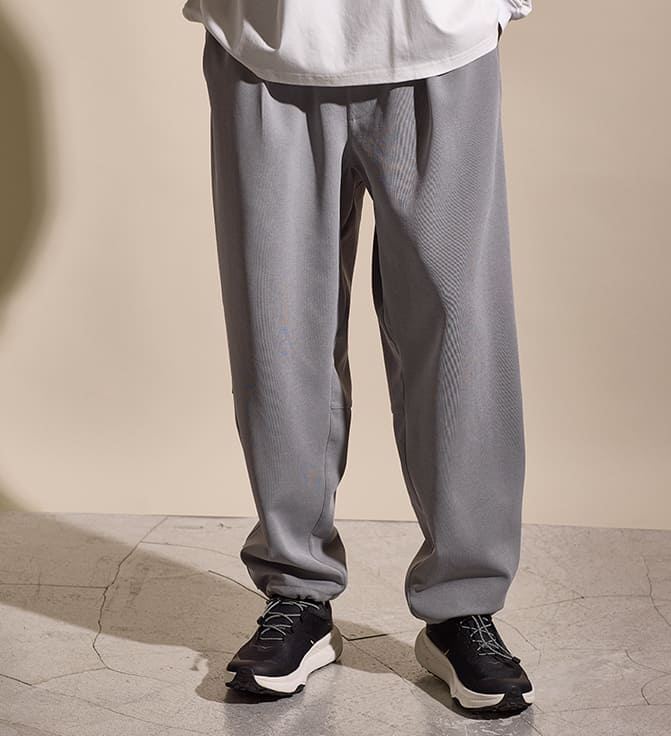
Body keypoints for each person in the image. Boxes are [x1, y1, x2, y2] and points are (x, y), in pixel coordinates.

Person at [182, 0, 534, 716]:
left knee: (460, 334)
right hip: (266, 41)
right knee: (277, 331)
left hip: (440, 39)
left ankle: (462, 608)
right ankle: (297, 595)